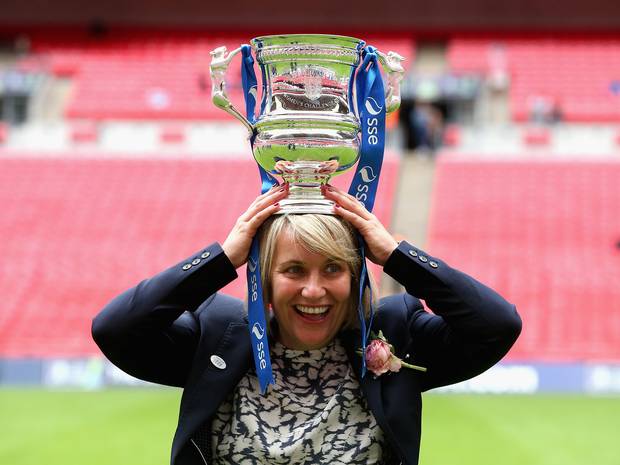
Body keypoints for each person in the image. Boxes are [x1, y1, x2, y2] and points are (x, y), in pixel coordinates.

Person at [92, 183, 521, 465]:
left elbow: (497, 324)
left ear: (354, 277)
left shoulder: (395, 333)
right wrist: (222, 259)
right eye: (294, 270)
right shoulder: (217, 336)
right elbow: (116, 330)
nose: (313, 291)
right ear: (264, 277)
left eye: (333, 269)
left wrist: (396, 256)